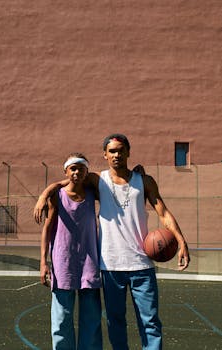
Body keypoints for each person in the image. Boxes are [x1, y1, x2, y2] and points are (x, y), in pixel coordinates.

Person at [35, 134, 190, 350]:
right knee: (115, 323)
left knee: (151, 323)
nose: (117, 154)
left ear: (128, 152)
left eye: (121, 150)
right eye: (112, 151)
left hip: (142, 264)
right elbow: (72, 178)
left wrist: (181, 241)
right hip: (110, 265)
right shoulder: (98, 180)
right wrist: (46, 192)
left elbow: (163, 212)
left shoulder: (144, 181)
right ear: (105, 155)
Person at [40, 152, 102, 350]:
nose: (76, 172)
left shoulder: (93, 193)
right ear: (65, 171)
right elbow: (47, 229)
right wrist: (43, 262)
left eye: (81, 168)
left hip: (90, 262)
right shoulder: (57, 196)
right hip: (62, 261)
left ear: (86, 171)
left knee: (91, 319)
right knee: (61, 318)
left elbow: (107, 180)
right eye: (72, 168)